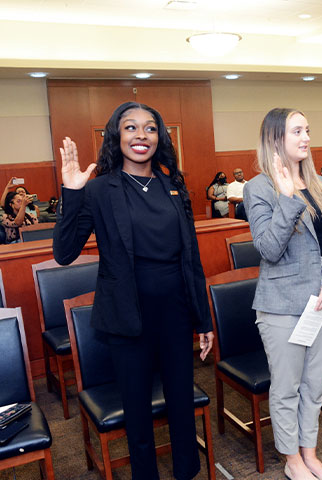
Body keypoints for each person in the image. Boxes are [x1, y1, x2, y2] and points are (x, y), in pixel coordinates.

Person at [53, 101, 214, 480]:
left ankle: (186, 471)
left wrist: (203, 319)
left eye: (150, 128)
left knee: (180, 402)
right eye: (131, 127)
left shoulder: (174, 186)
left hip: (174, 312)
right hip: (128, 315)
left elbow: (190, 258)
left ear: (160, 138)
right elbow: (63, 253)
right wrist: (72, 191)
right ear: (116, 135)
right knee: (138, 411)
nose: (141, 135)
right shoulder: (100, 191)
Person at [243, 108, 322, 480]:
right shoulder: (258, 188)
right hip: (283, 307)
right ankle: (292, 460)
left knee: (314, 385)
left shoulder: (318, 183)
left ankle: (310, 453)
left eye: (307, 129)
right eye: (296, 131)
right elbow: (268, 249)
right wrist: (287, 199)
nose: (306, 137)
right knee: (287, 388)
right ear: (275, 139)